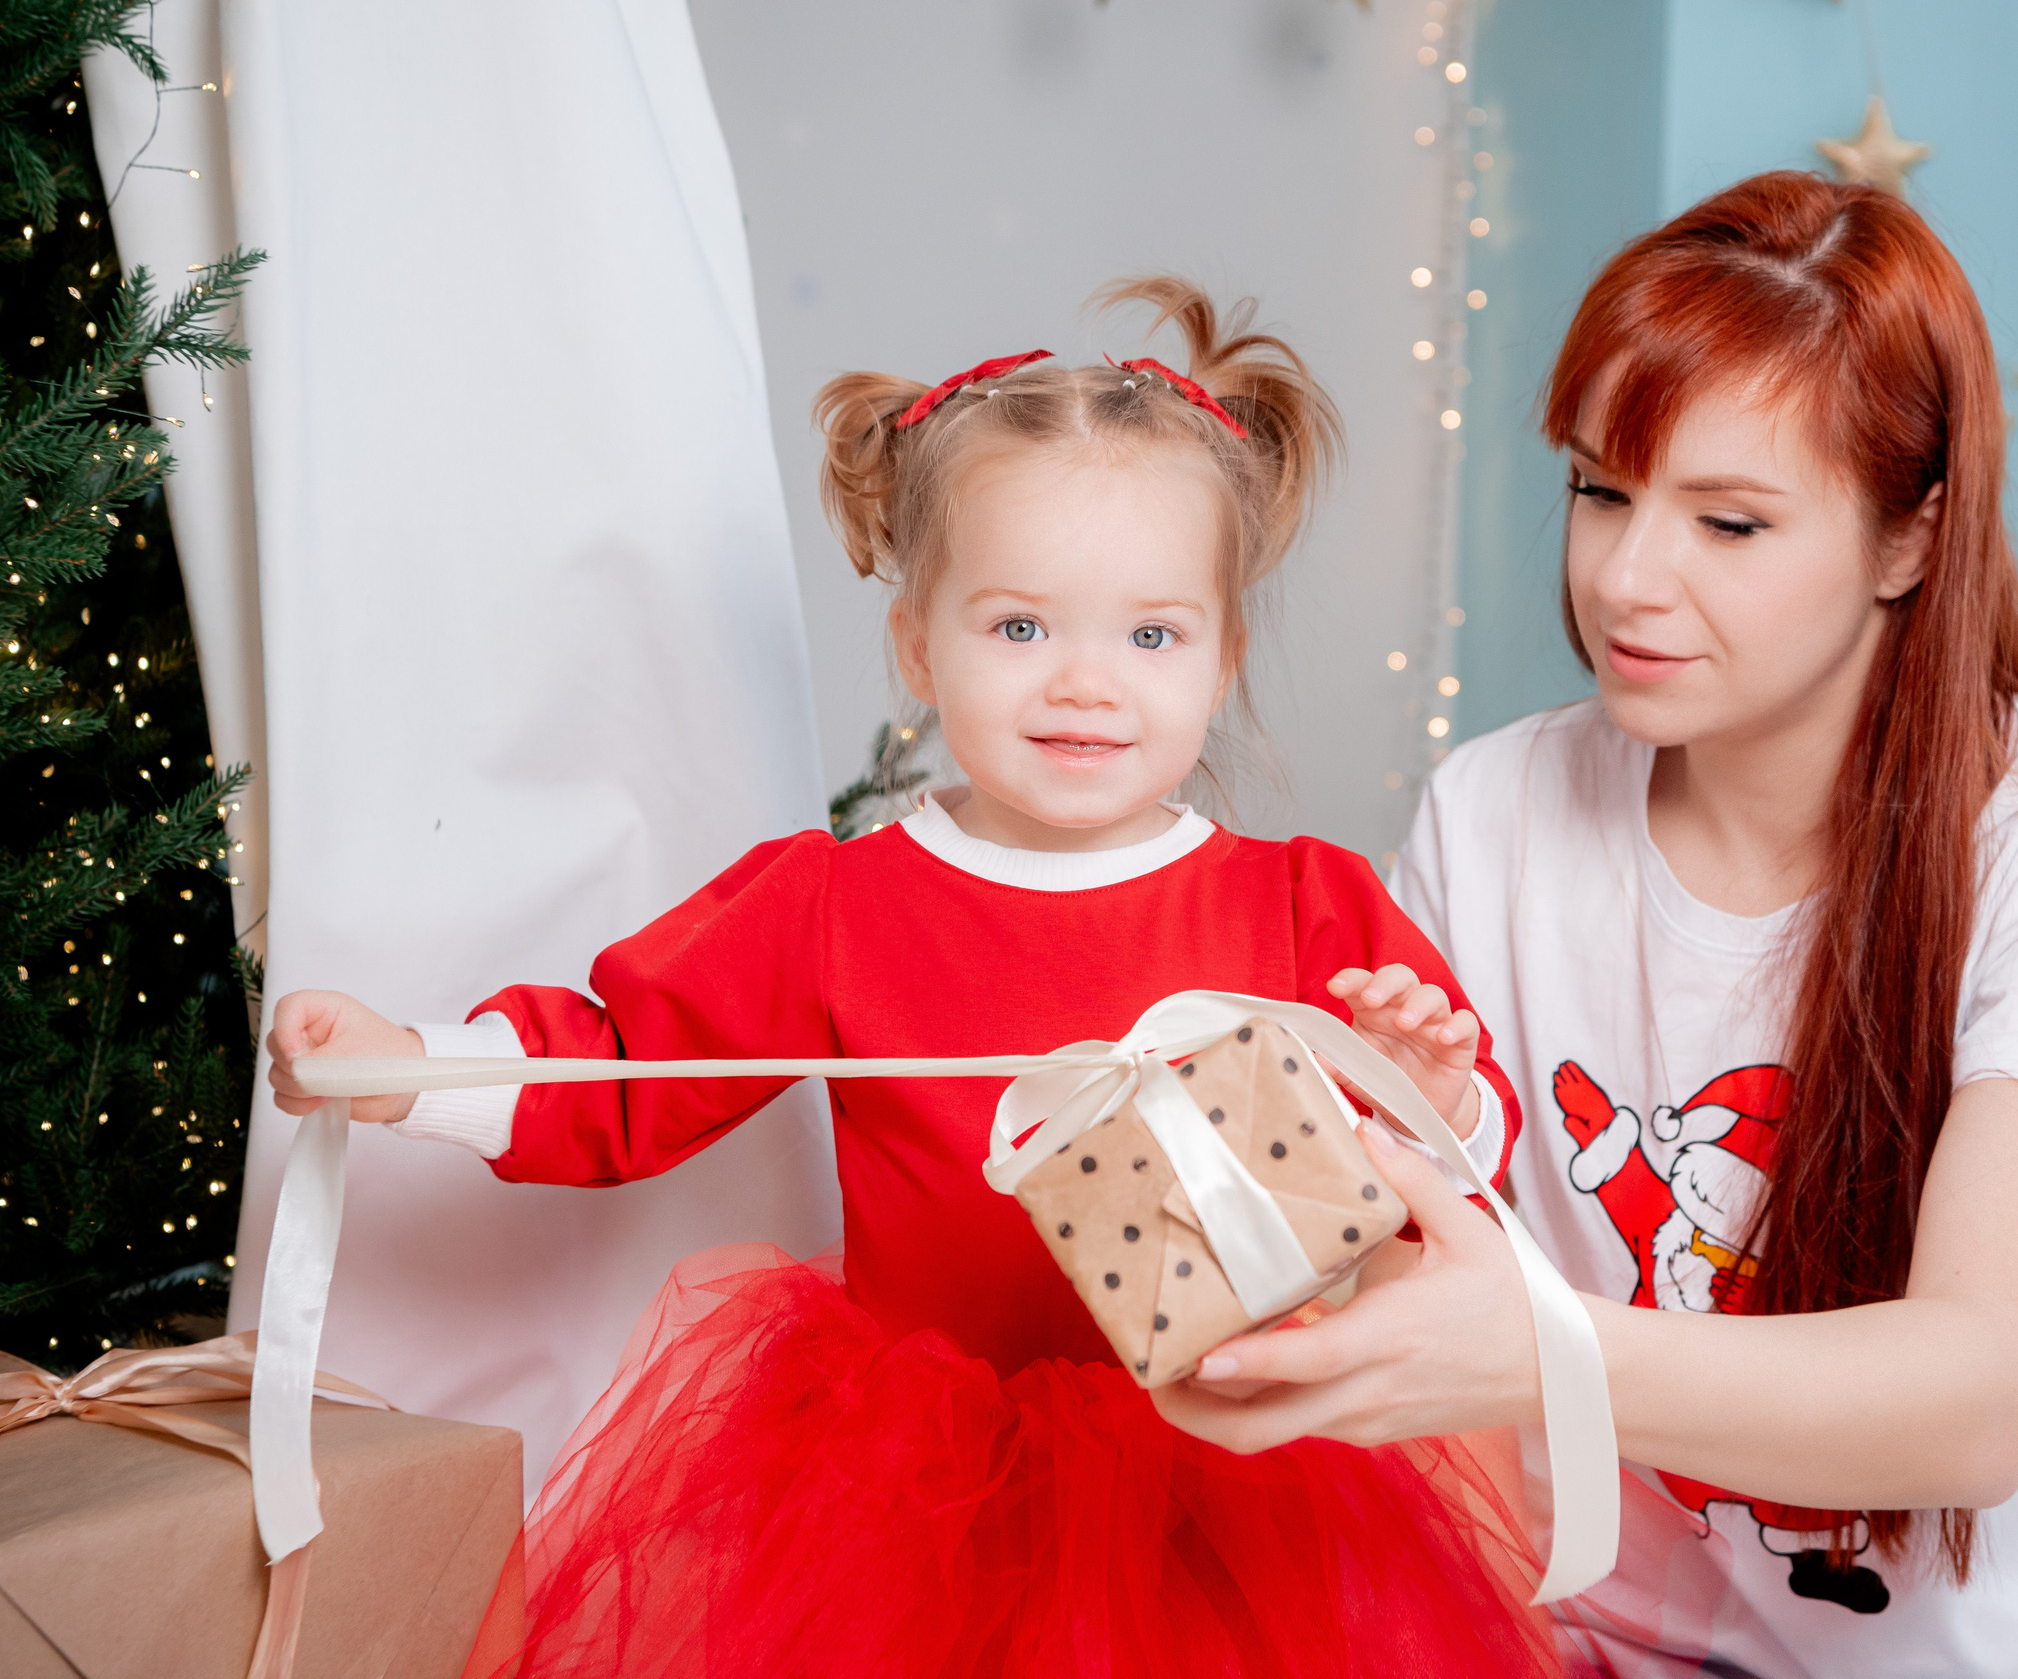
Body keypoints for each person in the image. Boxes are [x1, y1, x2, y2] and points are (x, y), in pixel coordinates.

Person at [263, 279, 1561, 1678]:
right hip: (911, 1487)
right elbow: (627, 1060)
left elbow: (1455, 1167)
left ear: (1223, 657)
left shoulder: (1307, 900)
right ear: (917, 647)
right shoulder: (834, 902)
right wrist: (415, 1065)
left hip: (1233, 1462)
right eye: (1020, 628)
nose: (1085, 683)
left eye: (1152, 635)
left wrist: (1430, 1093)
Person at [1152, 175, 2018, 1676]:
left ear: (1909, 540)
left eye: (1729, 521)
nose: (1626, 578)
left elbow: (1977, 1397)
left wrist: (1529, 1350)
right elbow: (1391, 1255)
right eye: (1604, 491)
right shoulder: (1496, 812)